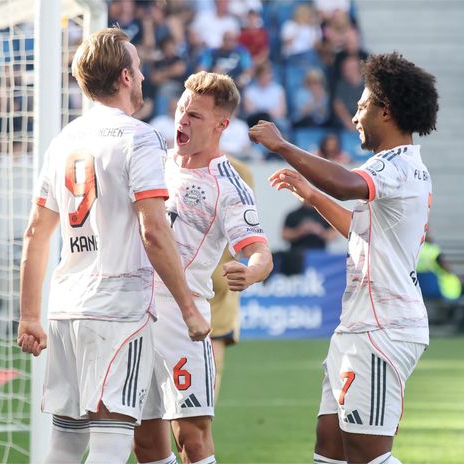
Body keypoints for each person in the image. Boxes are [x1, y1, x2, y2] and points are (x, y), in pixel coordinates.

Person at [16, 28, 210, 464]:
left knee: (65, 443)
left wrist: (30, 315)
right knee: (111, 440)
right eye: (138, 68)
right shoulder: (139, 138)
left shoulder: (63, 141)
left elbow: (35, 234)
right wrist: (189, 308)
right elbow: (154, 231)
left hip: (66, 308)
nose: (142, 77)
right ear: (125, 77)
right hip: (117, 308)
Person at [250, 52, 439, 464]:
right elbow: (360, 229)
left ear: (385, 111)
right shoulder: (397, 166)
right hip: (360, 324)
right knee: (330, 447)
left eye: (361, 106)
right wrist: (312, 195)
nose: (355, 116)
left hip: (382, 327)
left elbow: (348, 183)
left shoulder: (397, 165)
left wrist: (283, 146)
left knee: (367, 455)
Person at [133, 71, 272, 464]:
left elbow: (261, 251)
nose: (182, 119)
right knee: (144, 439)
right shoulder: (153, 164)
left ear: (221, 124)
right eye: (180, 109)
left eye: (194, 115)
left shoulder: (230, 184)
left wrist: (252, 270)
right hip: (134, 309)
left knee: (191, 438)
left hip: (183, 318)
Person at [208, 155, 255, 401]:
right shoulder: (239, 170)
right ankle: (201, 430)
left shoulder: (169, 163)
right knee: (212, 368)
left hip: (182, 276)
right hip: (220, 275)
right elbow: (244, 231)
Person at [416, 235, 464, 335]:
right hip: (444, 288)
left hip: (421, 290)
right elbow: (447, 269)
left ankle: (449, 316)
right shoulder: (432, 251)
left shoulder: (415, 251)